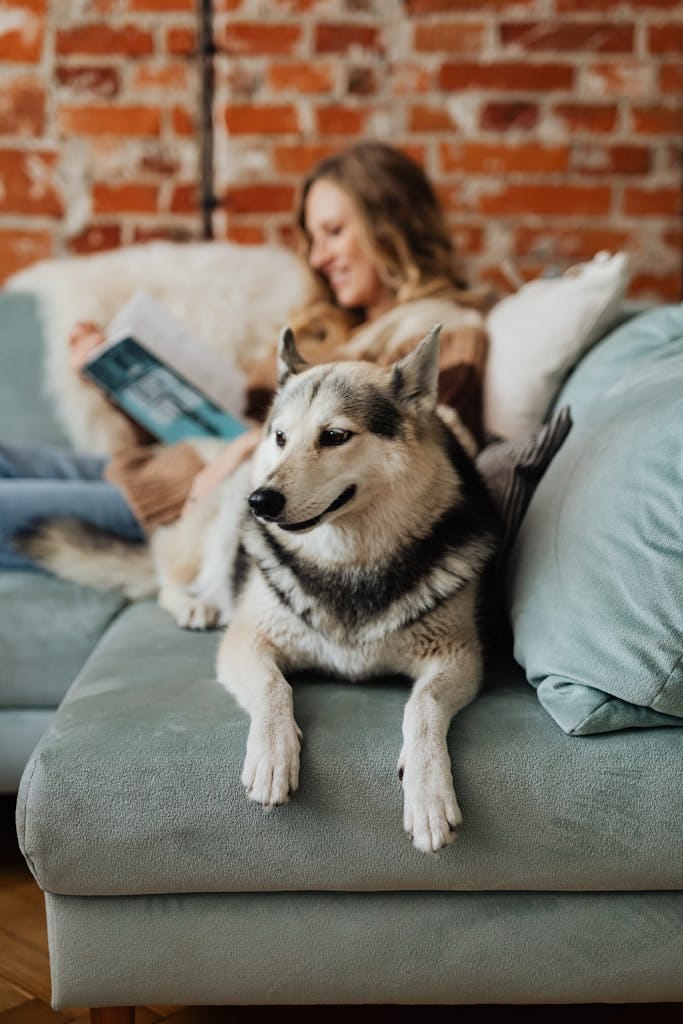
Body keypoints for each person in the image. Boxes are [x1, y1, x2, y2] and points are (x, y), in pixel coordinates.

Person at [0, 141, 491, 572]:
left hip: (196, 501)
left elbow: (439, 445)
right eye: (313, 239)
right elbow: (228, 419)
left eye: (334, 231)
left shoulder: (438, 326)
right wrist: (114, 373)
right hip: (168, 465)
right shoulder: (333, 329)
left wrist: (246, 452)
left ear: (393, 222)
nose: (318, 257)